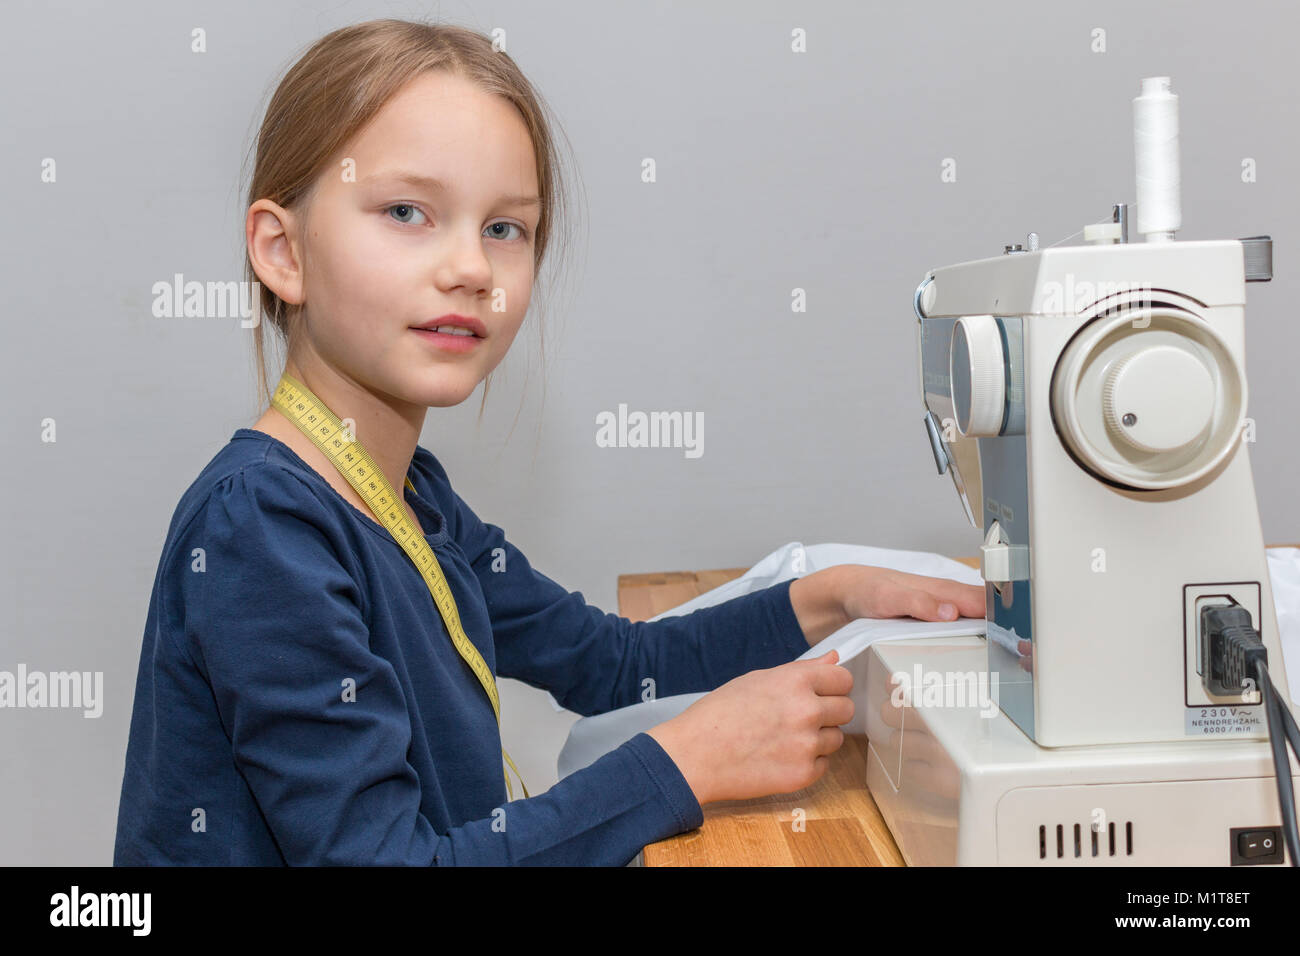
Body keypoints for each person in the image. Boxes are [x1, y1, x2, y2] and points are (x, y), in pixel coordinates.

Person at [113, 19, 984, 866]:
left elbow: (615, 663)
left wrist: (830, 597)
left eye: (506, 228)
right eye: (408, 211)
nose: (471, 268)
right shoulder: (261, 530)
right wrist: (685, 763)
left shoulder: (411, 497)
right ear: (283, 250)